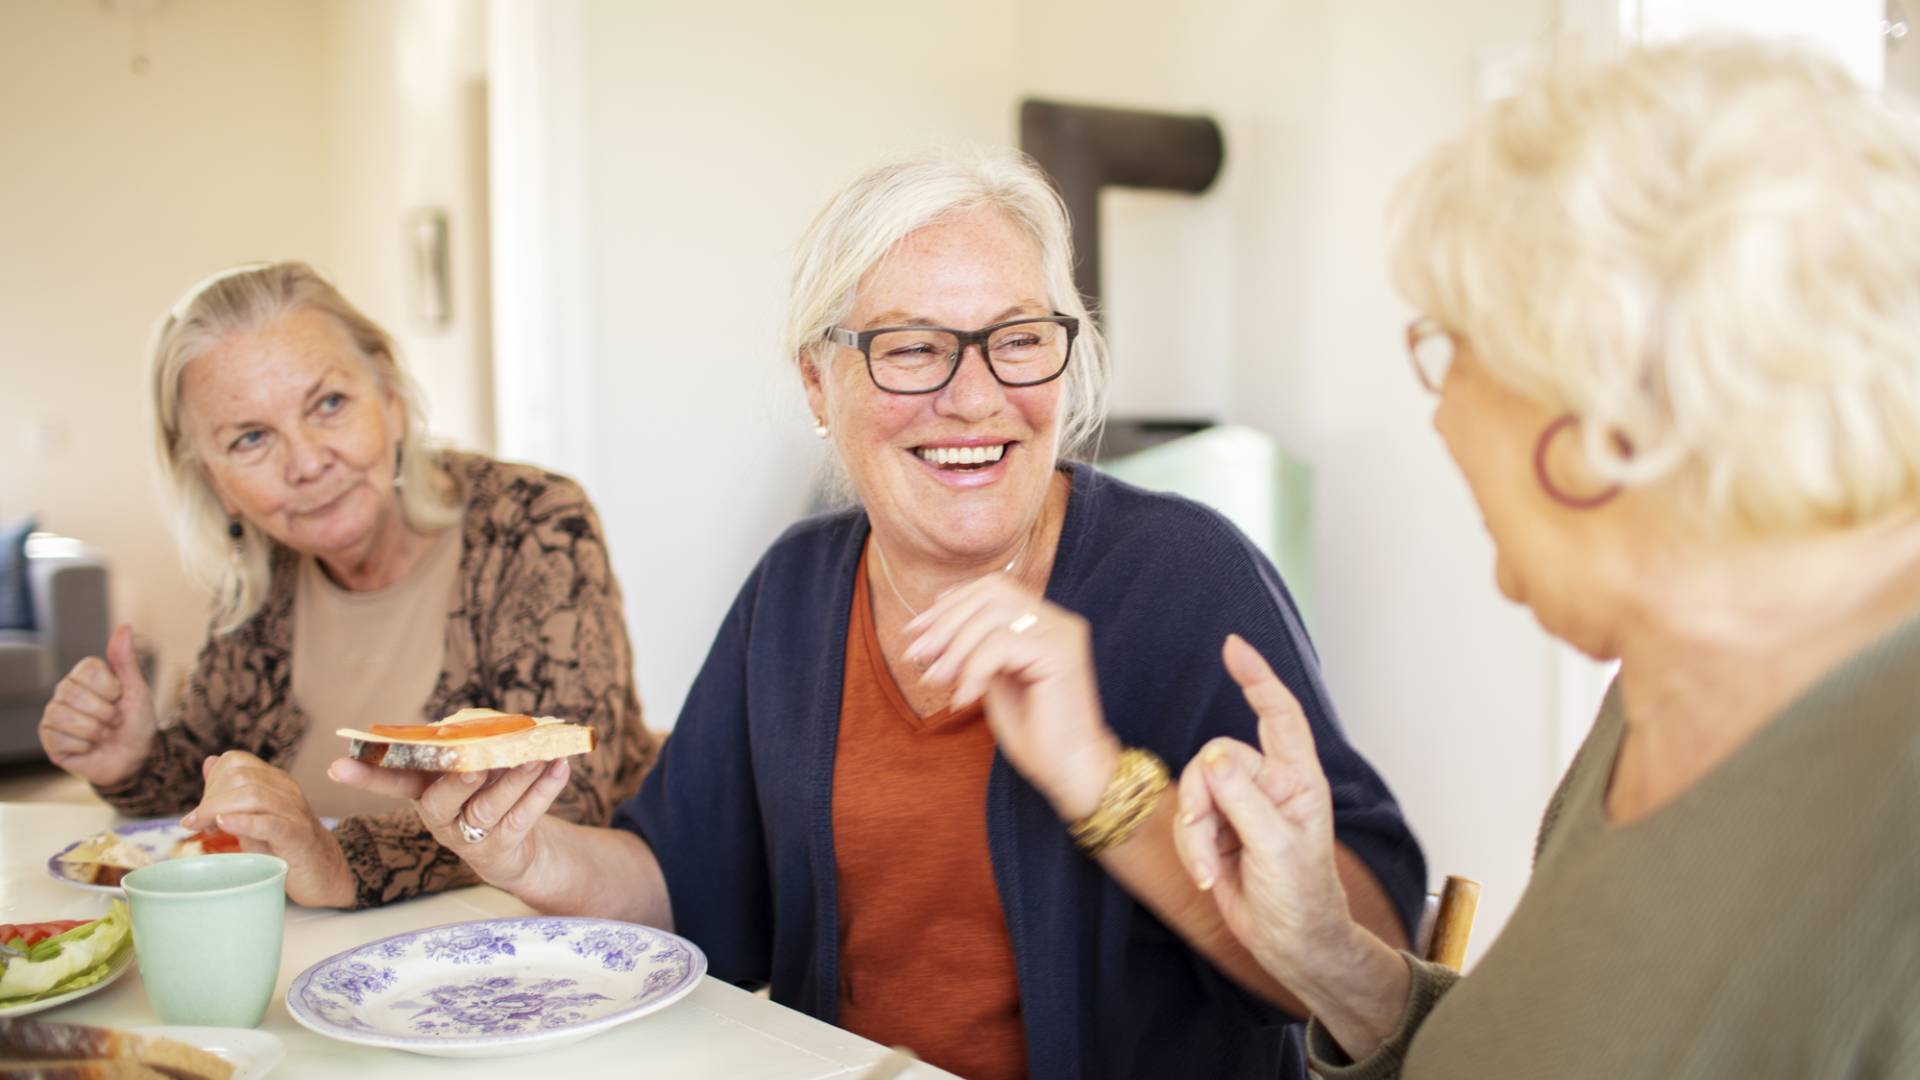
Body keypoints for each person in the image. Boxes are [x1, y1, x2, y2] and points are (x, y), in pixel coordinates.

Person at [338, 149, 1425, 1079]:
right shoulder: (800, 590)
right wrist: (529, 861)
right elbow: (682, 882)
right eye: (911, 348)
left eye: (1017, 338)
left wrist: (1097, 777)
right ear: (819, 384)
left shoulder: (1182, 576)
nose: (975, 395)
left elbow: (1365, 964)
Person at [1172, 38, 1920, 1078]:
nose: (1438, 414)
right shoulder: (1658, 686)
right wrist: (1333, 962)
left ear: (1597, 429)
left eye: (1455, 354)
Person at [37, 262, 656, 909]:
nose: (306, 463)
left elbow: (565, 794)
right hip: (310, 963)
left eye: (328, 405)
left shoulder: (533, 521)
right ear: (213, 478)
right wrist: (133, 759)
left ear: (389, 398)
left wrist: (335, 862)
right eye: (251, 438)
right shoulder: (260, 574)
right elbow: (206, 807)